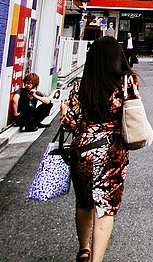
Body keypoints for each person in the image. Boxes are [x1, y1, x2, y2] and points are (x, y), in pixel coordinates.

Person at [60, 36, 137, 262]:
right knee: (105, 207)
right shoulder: (126, 83)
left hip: (82, 152)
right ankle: (96, 259)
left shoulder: (81, 85)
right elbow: (132, 116)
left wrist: (66, 110)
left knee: (84, 202)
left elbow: (69, 123)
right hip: (111, 153)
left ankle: (83, 250)